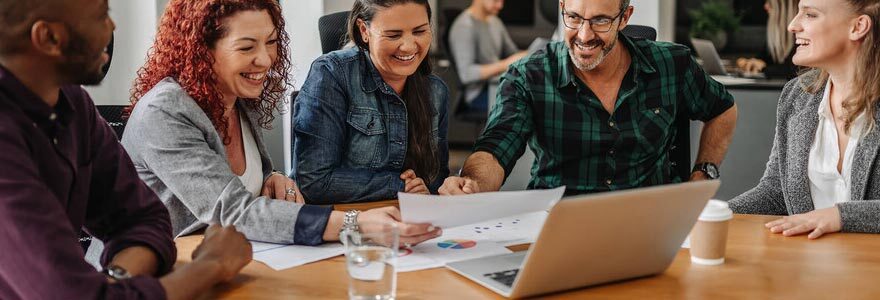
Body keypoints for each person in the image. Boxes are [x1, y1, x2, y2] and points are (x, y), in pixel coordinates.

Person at [125, 0, 442, 245]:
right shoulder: (165, 111)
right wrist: (355, 224)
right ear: (201, 50)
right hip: (152, 272)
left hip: (227, 259)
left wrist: (272, 176)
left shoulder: (236, 101)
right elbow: (234, 211)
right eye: (247, 46)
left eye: (272, 42)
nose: (266, 60)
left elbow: (245, 186)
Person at [0, 0, 252, 298]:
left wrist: (114, 282)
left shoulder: (73, 104)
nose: (112, 27)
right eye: (101, 16)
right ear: (49, 38)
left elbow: (146, 220)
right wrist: (212, 265)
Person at [439, 0, 738, 196]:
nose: (583, 35)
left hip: (650, 220)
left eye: (600, 21)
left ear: (624, 18)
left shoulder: (672, 64)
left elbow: (723, 109)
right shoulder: (529, 76)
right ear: (562, 9)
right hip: (560, 219)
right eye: (573, 17)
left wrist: (703, 173)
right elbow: (495, 147)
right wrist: (473, 184)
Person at [730, 0, 880, 239]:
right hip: (805, 267)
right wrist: (716, 214)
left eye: (810, 15)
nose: (792, 25)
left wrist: (839, 216)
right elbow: (776, 192)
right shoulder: (797, 95)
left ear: (858, 26)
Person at [293, 0, 450, 204]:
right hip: (343, 223)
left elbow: (436, 180)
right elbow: (314, 181)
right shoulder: (332, 74)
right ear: (364, 30)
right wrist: (399, 186)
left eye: (419, 32)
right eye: (394, 35)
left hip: (407, 222)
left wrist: (449, 186)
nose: (409, 46)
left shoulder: (436, 91)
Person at [448, 0, 527, 111]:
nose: (500, 5)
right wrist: (505, 64)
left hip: (498, 84)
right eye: (495, 0)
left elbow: (513, 52)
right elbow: (466, 74)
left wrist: (529, 55)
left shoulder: (495, 21)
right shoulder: (464, 26)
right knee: (527, 104)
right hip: (480, 93)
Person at [737, 0, 801, 79]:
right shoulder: (775, 36)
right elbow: (764, 58)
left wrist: (763, 68)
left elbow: (793, 71)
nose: (765, 6)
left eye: (770, 3)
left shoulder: (802, 38)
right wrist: (752, 62)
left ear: (783, 8)